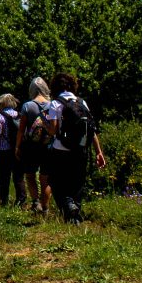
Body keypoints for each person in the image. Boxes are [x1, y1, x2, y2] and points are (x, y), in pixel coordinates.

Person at [44, 73, 106, 224]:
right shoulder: (82, 103)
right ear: (72, 86)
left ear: (54, 87)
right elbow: (91, 129)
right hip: (81, 150)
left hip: (61, 150)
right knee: (77, 184)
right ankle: (75, 217)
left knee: (57, 182)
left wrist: (45, 121)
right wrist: (99, 152)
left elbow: (53, 130)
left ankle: (68, 205)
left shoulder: (55, 104)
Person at [15, 76, 53, 215]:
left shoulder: (27, 105)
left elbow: (21, 129)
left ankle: (36, 202)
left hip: (31, 147)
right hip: (48, 146)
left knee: (30, 175)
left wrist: (17, 147)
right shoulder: (52, 105)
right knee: (46, 179)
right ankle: (46, 208)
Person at [0, 93, 26, 207]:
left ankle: (4, 202)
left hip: (4, 151)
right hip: (18, 150)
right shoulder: (20, 115)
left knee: (4, 178)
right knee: (19, 177)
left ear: (2, 104)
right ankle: (21, 201)